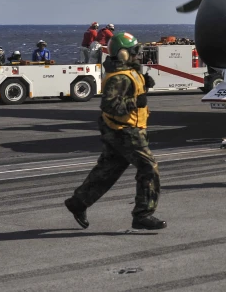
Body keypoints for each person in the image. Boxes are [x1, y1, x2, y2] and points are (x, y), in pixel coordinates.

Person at [64, 31, 165, 230]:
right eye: (133, 51)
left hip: (123, 129)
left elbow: (128, 90)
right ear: (123, 54)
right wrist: (135, 103)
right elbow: (109, 106)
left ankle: (78, 203)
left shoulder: (129, 72)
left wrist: (144, 84)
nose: (137, 54)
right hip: (124, 131)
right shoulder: (118, 78)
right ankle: (142, 214)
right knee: (148, 168)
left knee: (108, 171)